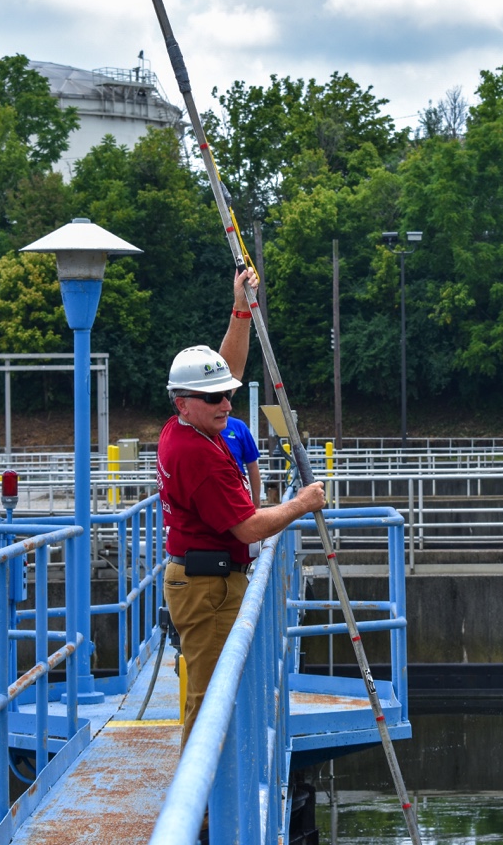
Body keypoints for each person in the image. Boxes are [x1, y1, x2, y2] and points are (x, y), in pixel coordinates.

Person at [157, 268, 326, 746]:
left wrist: (240, 308)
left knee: (216, 689)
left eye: (226, 395)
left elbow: (225, 369)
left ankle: (210, 795)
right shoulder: (199, 456)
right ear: (183, 403)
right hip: (206, 588)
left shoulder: (186, 427)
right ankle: (204, 807)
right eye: (213, 398)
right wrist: (302, 502)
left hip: (204, 578)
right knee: (212, 697)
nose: (226, 403)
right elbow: (249, 528)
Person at [221, 414, 262, 507]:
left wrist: (256, 502)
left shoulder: (238, 426)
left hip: (236, 490)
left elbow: (252, 466)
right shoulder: (197, 426)